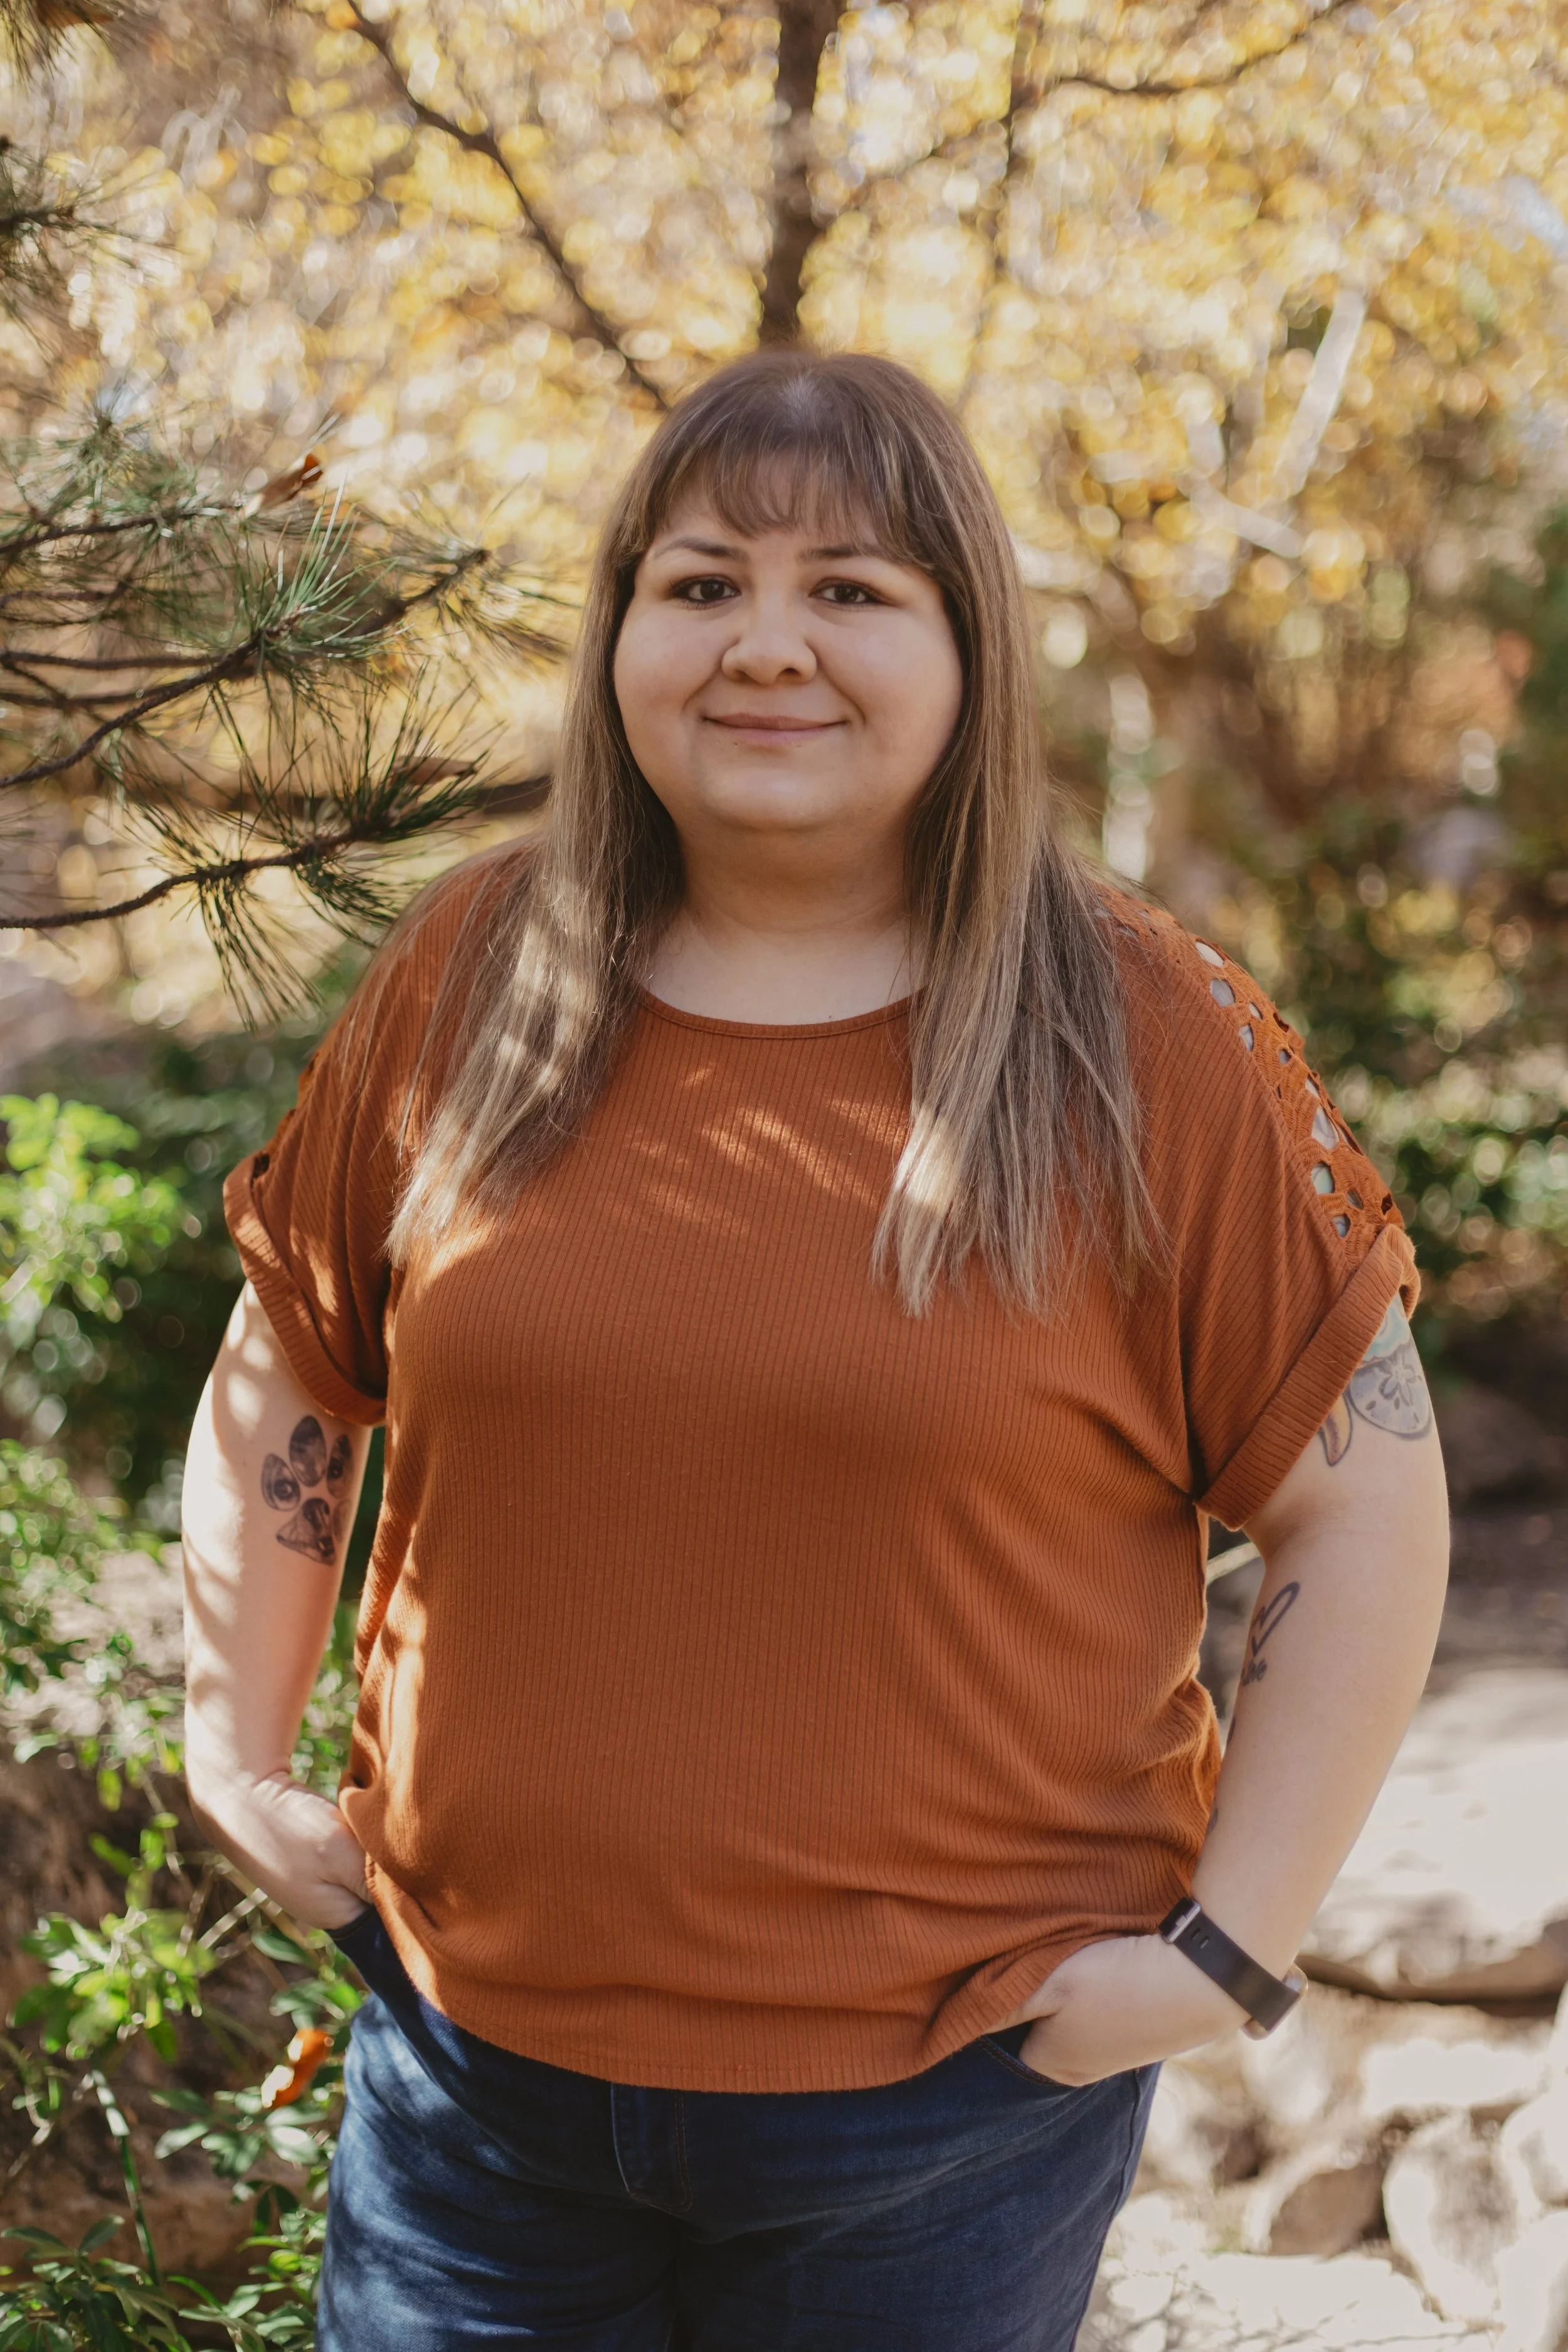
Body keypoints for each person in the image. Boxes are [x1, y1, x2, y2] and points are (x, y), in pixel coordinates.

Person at [181, 350, 1449, 2352]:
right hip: (470, 2085)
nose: (765, 644)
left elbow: (1360, 1504)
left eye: (849, 588)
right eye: (700, 585)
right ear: (621, 638)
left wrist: (1224, 1955)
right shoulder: (470, 972)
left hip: (941, 2119)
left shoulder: (1142, 1034)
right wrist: (229, 1750)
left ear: (968, 646)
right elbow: (291, 1362)